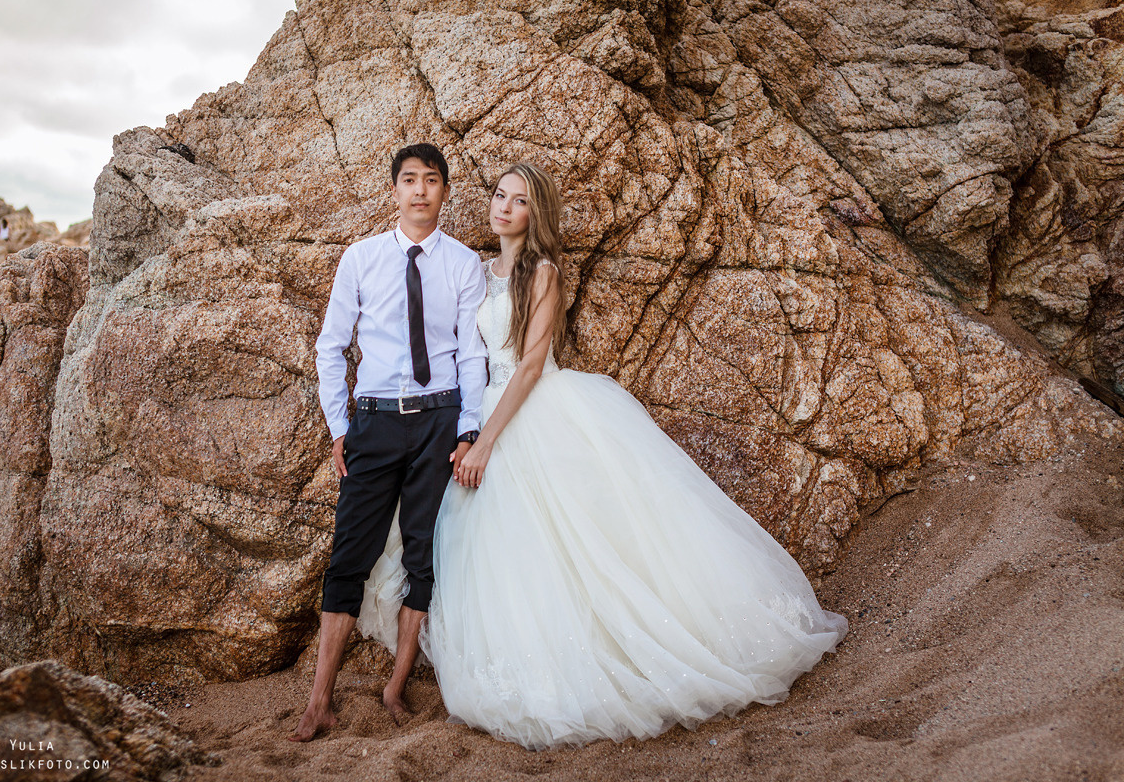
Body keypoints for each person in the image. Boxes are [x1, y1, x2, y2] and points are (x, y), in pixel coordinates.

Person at [362, 162, 847, 749]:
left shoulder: (543, 272)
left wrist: (485, 441)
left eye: (519, 200)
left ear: (536, 213)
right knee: (498, 545)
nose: (504, 207)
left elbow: (531, 365)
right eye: (499, 195)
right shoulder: (480, 272)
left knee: (576, 541)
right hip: (482, 407)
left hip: (535, 409)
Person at [290, 143, 488, 742]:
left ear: (445, 190)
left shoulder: (464, 264)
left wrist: (468, 428)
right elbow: (331, 347)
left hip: (438, 420)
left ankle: (396, 687)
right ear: (394, 190)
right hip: (374, 422)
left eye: (431, 180)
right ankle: (319, 701)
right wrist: (339, 426)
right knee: (350, 552)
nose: (420, 190)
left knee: (423, 552)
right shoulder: (361, 258)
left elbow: (471, 353)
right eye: (409, 180)